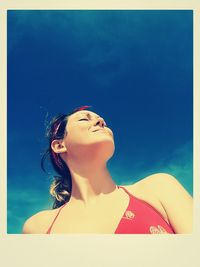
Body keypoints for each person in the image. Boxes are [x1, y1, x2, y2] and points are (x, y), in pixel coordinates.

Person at [23, 106, 193, 234]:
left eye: (101, 120)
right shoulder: (38, 227)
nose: (100, 121)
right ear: (59, 145)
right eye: (84, 119)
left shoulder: (159, 188)